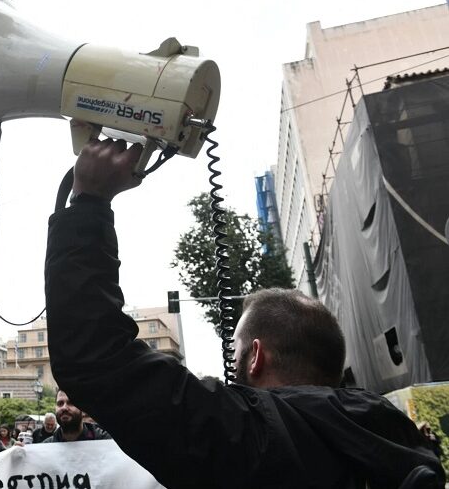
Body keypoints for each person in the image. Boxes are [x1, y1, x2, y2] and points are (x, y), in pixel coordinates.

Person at [45, 138, 445, 488]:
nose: (231, 366)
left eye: (234, 350)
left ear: (256, 355)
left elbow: (93, 356)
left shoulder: (254, 435)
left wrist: (88, 203)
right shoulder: (395, 438)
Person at [42, 390, 110, 443]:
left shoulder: (106, 441)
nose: (64, 407)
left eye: (71, 403)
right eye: (60, 403)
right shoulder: (45, 447)